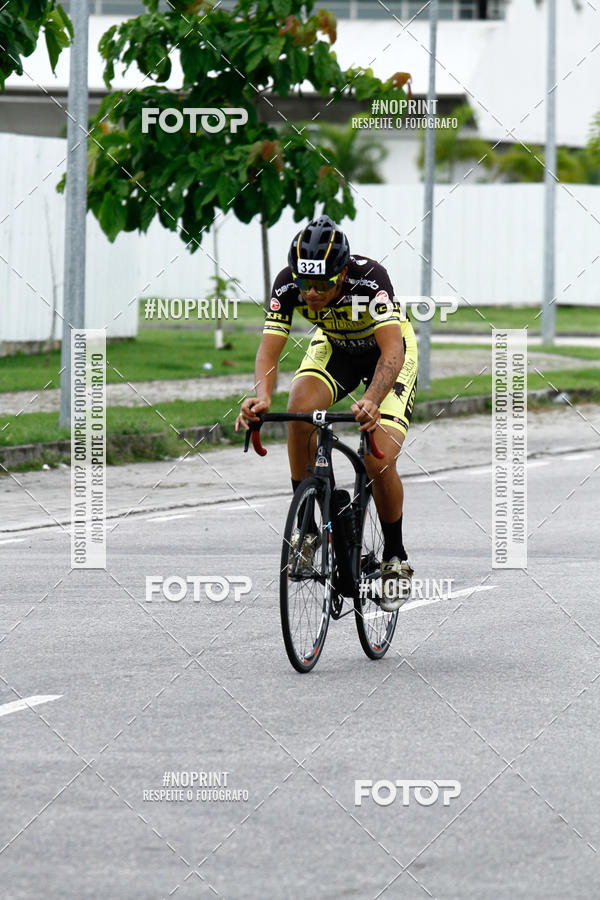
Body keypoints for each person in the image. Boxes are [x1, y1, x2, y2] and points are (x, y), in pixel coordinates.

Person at [235, 215, 418, 611]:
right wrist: (261, 397)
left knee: (377, 458)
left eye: (322, 284)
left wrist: (372, 399)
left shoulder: (369, 279)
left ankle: (395, 556)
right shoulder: (288, 284)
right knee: (298, 411)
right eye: (305, 284)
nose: (312, 293)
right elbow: (269, 350)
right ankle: (308, 528)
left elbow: (392, 350)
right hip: (336, 347)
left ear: (343, 273)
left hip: (385, 356)